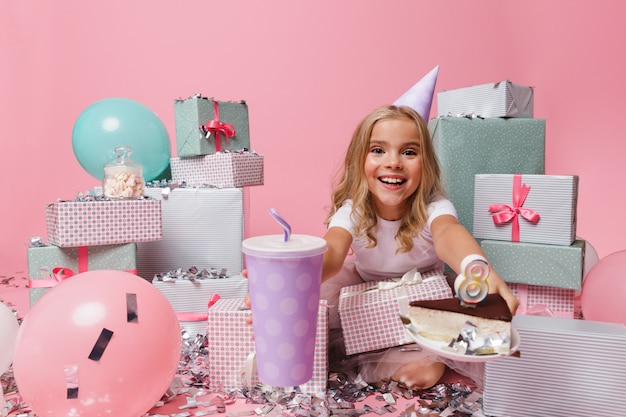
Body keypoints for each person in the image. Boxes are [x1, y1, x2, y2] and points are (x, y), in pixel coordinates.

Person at [246, 103, 519, 391]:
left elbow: (449, 233)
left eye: (409, 152)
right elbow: (334, 252)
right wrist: (292, 280)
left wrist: (476, 266)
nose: (393, 162)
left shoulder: (434, 206)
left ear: (426, 164)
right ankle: (378, 346)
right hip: (367, 293)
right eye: (378, 150)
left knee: (436, 353)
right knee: (320, 323)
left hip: (421, 299)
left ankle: (428, 355)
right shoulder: (353, 210)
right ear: (359, 160)